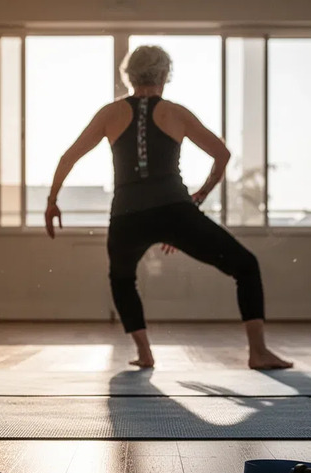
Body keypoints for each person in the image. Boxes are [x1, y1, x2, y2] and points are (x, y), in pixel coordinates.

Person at [45, 45, 293, 370]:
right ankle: (258, 352)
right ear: (164, 74)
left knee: (121, 278)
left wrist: (52, 202)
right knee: (245, 266)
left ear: (130, 75)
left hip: (126, 216)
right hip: (174, 211)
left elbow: (69, 157)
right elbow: (222, 154)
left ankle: (144, 353)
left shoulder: (110, 113)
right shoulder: (175, 112)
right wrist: (199, 197)